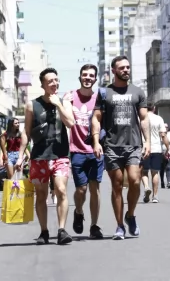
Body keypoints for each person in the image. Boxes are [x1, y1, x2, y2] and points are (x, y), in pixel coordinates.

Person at [91, 55, 149, 240]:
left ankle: (130, 214)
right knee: (116, 186)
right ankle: (119, 226)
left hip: (133, 145)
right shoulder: (104, 93)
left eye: (128, 67)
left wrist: (147, 141)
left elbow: (144, 118)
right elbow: (96, 118)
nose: (126, 70)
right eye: (122, 68)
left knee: (134, 180)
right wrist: (95, 142)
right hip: (112, 146)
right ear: (113, 71)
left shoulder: (138, 92)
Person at [16, 68, 75, 245]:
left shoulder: (65, 102)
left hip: (60, 155)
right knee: (41, 196)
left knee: (61, 190)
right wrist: (20, 156)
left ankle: (62, 230)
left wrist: (58, 104)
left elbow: (70, 123)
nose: (54, 83)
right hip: (39, 156)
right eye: (50, 81)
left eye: (56, 80)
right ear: (42, 85)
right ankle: (44, 231)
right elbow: (26, 132)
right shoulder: (32, 105)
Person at [64, 64, 105, 239]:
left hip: (96, 150)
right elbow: (65, 120)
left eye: (91, 76)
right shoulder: (70, 97)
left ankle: (94, 226)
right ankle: (79, 211)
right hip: (77, 150)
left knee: (94, 189)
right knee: (81, 189)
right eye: (84, 75)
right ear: (80, 77)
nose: (87, 78)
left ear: (95, 79)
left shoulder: (100, 98)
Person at [141, 102, 170, 203]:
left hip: (144, 148)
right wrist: (168, 147)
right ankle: (155, 196)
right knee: (155, 172)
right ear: (154, 108)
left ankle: (146, 187)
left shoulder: (141, 118)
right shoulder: (159, 119)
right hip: (157, 148)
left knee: (144, 171)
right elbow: (163, 135)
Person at [5, 118, 29, 183]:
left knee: (18, 176)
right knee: (11, 177)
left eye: (18, 123)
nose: (18, 124)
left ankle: (18, 192)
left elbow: (24, 147)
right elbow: (3, 147)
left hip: (19, 156)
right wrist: (3, 158)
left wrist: (29, 156)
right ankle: (11, 192)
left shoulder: (20, 134)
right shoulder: (6, 134)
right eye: (16, 123)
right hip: (9, 155)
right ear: (11, 125)